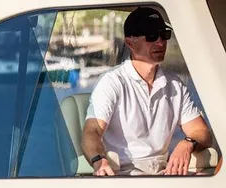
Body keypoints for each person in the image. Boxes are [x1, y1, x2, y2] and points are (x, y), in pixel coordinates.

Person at [82, 7, 212, 176]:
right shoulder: (112, 82)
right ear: (130, 43)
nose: (160, 42)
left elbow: (201, 132)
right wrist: (99, 161)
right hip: (123, 177)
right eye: (151, 36)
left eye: (164, 35)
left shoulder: (174, 84)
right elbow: (92, 131)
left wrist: (187, 144)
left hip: (163, 175)